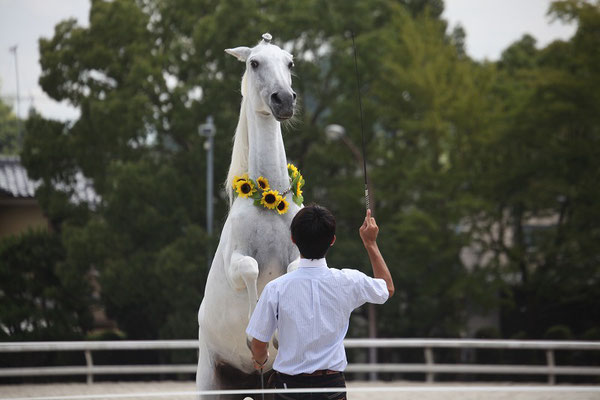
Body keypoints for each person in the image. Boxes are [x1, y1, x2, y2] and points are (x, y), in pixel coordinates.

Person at [246, 204, 395, 400]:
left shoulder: (276, 288)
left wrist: (260, 360)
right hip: (332, 388)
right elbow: (387, 288)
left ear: (293, 239)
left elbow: (258, 343)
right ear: (332, 240)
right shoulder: (348, 281)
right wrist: (370, 243)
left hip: (289, 388)